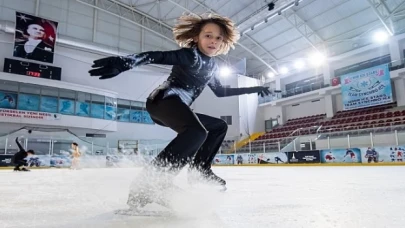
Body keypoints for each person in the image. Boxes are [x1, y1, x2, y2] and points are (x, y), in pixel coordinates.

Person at [89, 13, 272, 208]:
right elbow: (157, 56)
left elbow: (221, 91)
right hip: (163, 101)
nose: (213, 41)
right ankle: (149, 183)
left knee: (218, 127)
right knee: (197, 132)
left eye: (218, 38)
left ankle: (199, 171)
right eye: (208, 35)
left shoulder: (211, 65)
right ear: (197, 37)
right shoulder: (189, 55)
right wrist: (125, 63)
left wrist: (255, 88)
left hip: (177, 107)